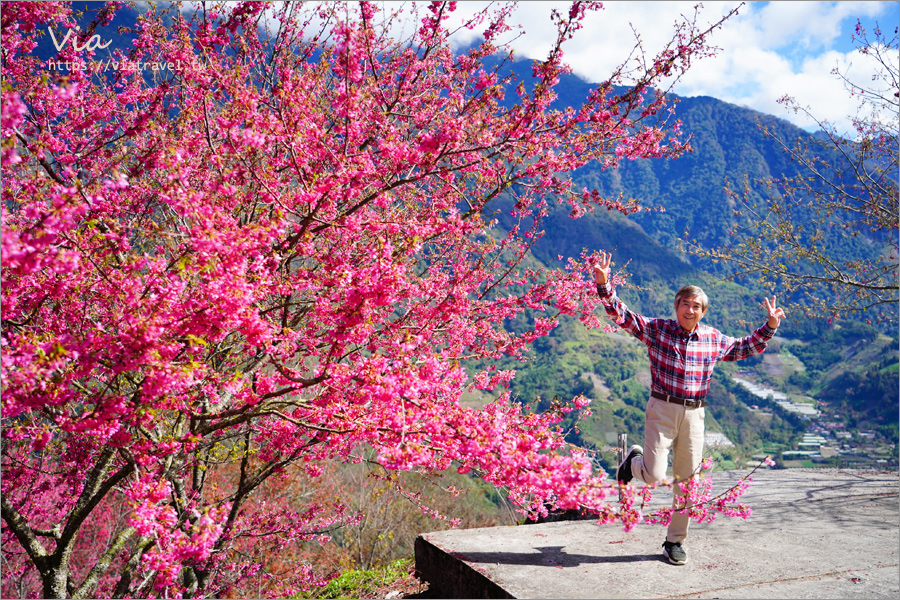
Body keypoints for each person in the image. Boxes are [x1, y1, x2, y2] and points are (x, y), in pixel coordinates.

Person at [592, 250, 785, 565]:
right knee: (654, 476)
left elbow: (743, 347)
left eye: (697, 306)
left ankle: (674, 542)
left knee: (688, 480)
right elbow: (623, 316)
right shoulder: (658, 330)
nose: (690, 310)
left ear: (703, 312)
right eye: (686, 304)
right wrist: (604, 285)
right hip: (663, 409)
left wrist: (770, 326)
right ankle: (634, 462)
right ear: (676, 307)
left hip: (695, 414)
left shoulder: (712, 338)